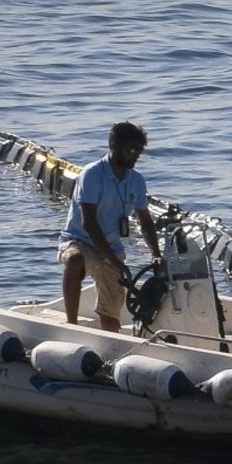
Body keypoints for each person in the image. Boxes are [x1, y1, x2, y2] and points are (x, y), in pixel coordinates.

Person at [59, 121, 162, 333]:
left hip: (111, 247)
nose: (135, 156)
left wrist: (156, 254)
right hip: (80, 240)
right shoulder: (92, 174)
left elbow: (145, 222)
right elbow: (88, 222)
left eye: (139, 152)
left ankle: (111, 338)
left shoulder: (137, 180)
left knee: (112, 307)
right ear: (113, 145)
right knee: (75, 259)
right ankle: (71, 326)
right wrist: (113, 260)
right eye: (131, 150)